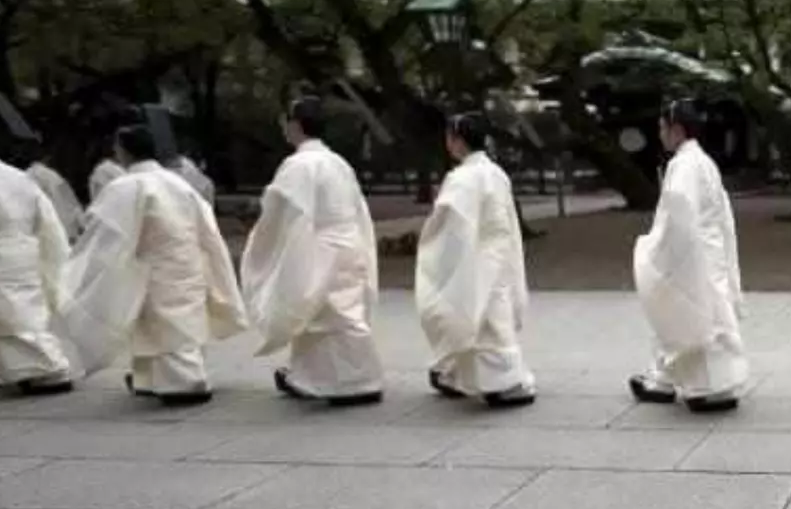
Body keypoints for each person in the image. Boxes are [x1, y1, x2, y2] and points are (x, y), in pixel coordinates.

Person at [60, 123, 246, 406]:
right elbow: (206, 227)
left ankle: (186, 381)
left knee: (166, 326)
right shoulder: (178, 183)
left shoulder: (126, 186)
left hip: (154, 265)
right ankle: (148, 377)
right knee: (170, 324)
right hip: (187, 261)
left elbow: (105, 230)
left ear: (124, 151)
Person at [239, 97, 383, 407]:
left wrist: (266, 243)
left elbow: (283, 215)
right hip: (348, 245)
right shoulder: (338, 163)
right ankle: (361, 377)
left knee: (320, 314)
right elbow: (358, 210)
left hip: (319, 247)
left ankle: (332, 382)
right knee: (345, 313)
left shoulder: (298, 165)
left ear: (295, 124)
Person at [629, 98, 746, 412]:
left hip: (694, 252)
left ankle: (708, 387)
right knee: (700, 313)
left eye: (662, 129)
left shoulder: (684, 165)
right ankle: (664, 378)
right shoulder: (701, 161)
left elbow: (678, 216)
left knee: (693, 314)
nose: (660, 135)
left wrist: (654, 247)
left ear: (676, 129)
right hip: (710, 251)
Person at [415, 111, 535, 407]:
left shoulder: (462, 178)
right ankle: (494, 376)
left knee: (470, 310)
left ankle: (494, 381)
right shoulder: (496, 173)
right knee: (495, 312)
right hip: (500, 252)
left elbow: (450, 224)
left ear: (456, 140)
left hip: (476, 252)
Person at [0, 116, 74, 395]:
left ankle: (49, 368)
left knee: (9, 318)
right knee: (17, 313)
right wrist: (52, 255)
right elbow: (47, 221)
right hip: (25, 252)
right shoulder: (20, 177)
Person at [20, 137, 83, 241]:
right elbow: (67, 204)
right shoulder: (51, 177)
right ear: (47, 157)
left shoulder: (23, 177)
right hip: (61, 231)